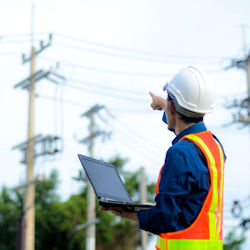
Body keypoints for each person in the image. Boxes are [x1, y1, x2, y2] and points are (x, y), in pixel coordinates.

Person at [100, 66, 226, 250]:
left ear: (173, 107)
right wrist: (166, 106)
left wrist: (126, 213)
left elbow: (164, 219)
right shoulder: (214, 146)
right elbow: (188, 125)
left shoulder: (179, 154)